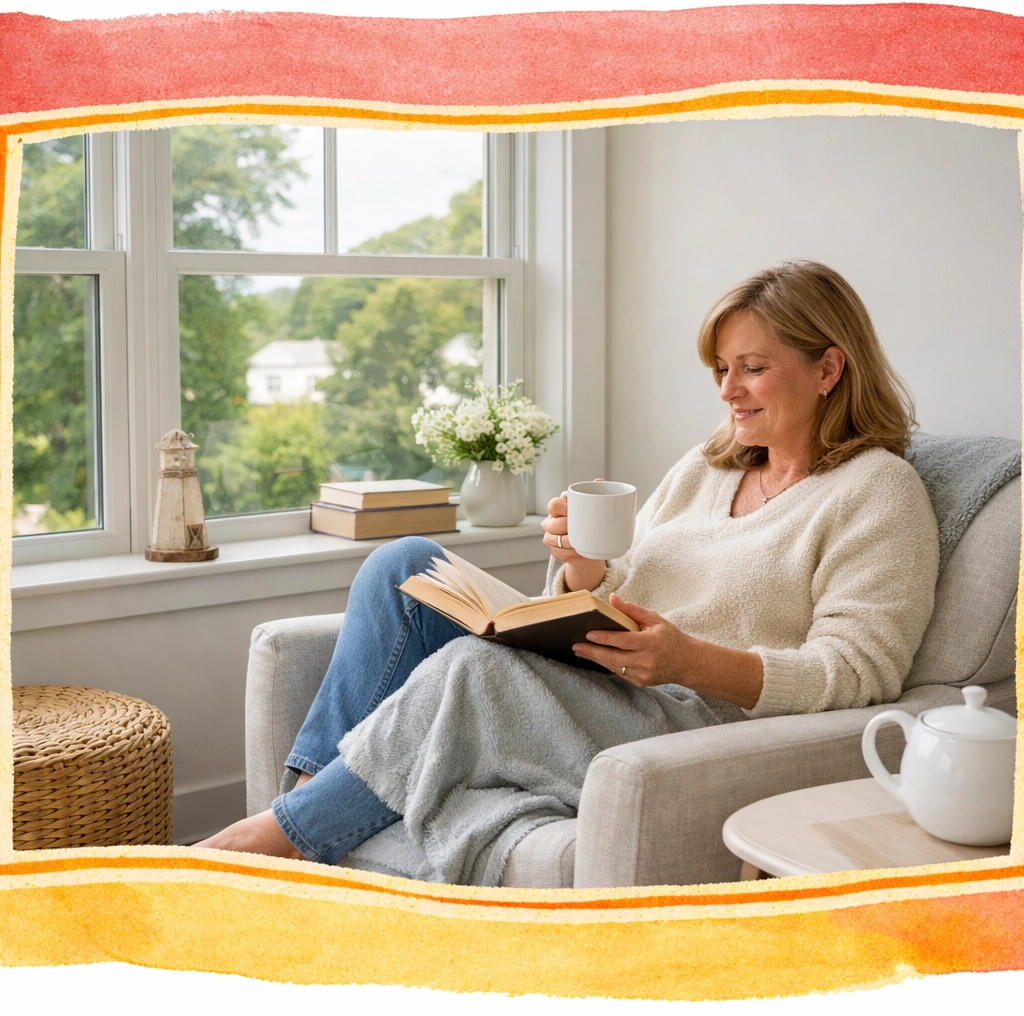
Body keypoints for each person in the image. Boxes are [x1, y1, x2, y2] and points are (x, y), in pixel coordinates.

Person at [198, 261, 939, 883]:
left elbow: (860, 672)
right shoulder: (708, 466)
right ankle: (303, 807)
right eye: (721, 369)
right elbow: (630, 584)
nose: (726, 390)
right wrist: (584, 577)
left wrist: (692, 659)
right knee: (401, 565)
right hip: (604, 677)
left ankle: (270, 843)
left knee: (474, 671)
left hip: (689, 714)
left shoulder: (877, 491)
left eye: (753, 368)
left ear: (828, 369)